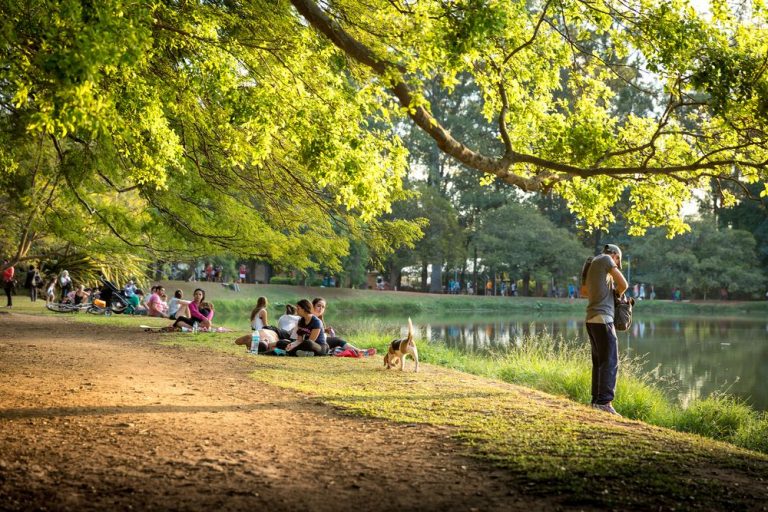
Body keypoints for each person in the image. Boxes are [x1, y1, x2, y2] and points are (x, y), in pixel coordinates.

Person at [584, 243, 628, 416]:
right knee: (610, 361)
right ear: (615, 256)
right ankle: (604, 402)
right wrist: (617, 294)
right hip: (604, 318)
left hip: (591, 318)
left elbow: (583, 291)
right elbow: (624, 284)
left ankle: (596, 400)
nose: (616, 265)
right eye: (617, 262)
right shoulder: (606, 259)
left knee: (599, 362)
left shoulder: (591, 263)